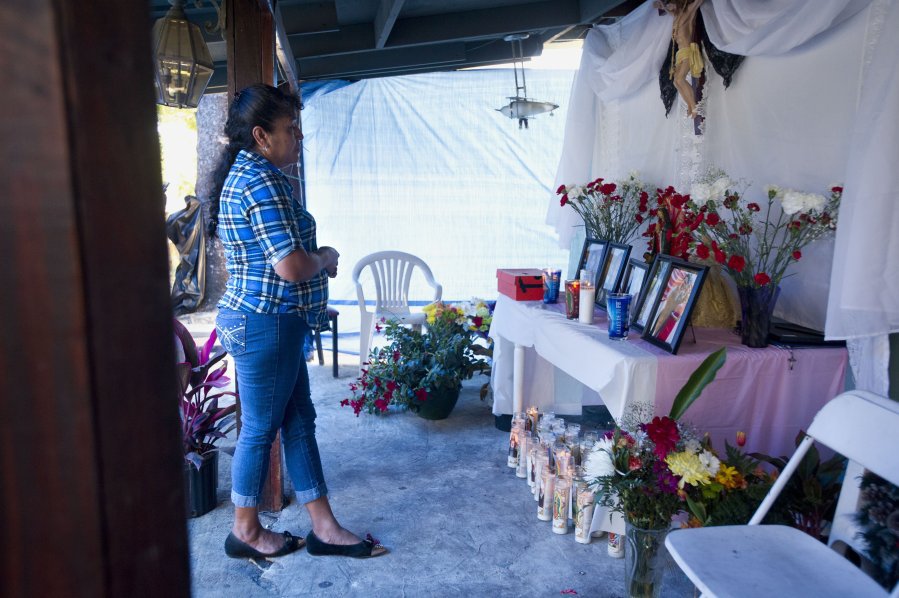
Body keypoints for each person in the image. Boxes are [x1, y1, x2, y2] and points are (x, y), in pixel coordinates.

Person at [207, 84, 387, 560]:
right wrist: (325, 256)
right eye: (291, 129)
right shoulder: (259, 181)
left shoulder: (252, 175)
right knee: (263, 428)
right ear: (262, 136)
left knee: (298, 422)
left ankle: (323, 527)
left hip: (272, 322)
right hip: (266, 322)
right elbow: (289, 265)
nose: (299, 136)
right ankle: (245, 531)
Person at [656, 0, 705, 117]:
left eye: (670, 3)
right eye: (668, 5)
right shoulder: (676, 16)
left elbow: (698, 2)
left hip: (687, 50)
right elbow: (668, 10)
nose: (669, 7)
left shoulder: (687, 12)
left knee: (680, 79)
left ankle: (694, 106)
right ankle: (689, 104)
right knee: (675, 82)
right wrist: (663, 6)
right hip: (680, 54)